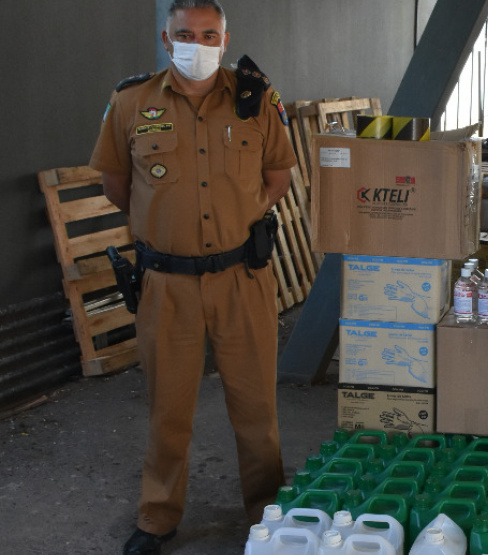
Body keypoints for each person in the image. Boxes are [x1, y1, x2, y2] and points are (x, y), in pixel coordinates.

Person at [89, 1, 298, 553]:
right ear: (166, 36)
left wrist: (243, 212)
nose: (197, 44)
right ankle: (157, 518)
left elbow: (277, 174)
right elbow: (116, 180)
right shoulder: (131, 101)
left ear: (225, 40)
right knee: (168, 408)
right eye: (186, 34)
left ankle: (268, 509)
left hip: (241, 278)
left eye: (209, 35)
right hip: (167, 283)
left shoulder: (256, 100)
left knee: (257, 409)